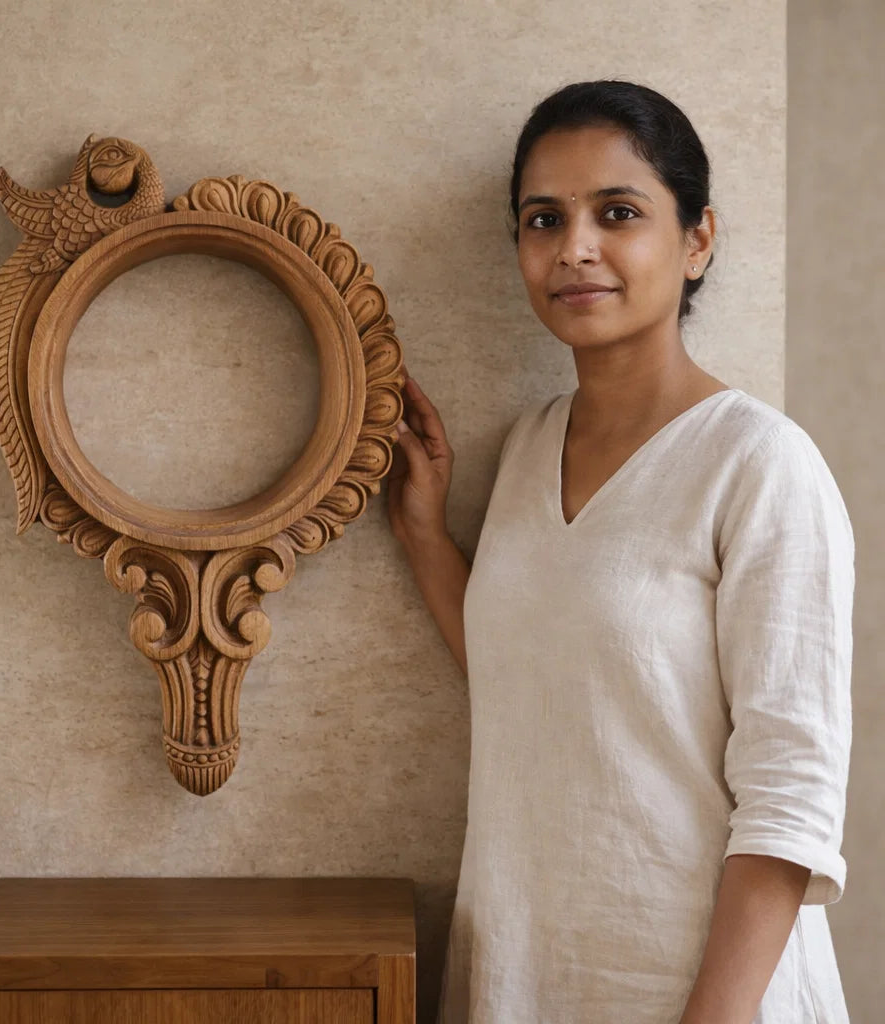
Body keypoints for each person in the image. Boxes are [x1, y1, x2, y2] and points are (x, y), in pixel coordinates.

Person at [387, 81, 853, 1024]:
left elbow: (791, 799)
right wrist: (429, 539)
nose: (575, 248)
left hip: (700, 992)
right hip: (525, 974)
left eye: (619, 213)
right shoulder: (526, 448)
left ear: (697, 241)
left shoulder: (759, 463)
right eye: (543, 219)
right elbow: (542, 696)